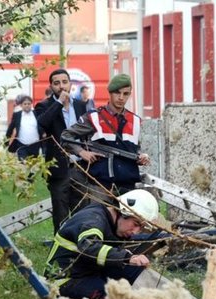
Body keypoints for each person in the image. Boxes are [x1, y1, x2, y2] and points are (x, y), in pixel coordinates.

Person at [45, 189, 159, 299]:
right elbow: (89, 247)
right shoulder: (93, 220)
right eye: (135, 224)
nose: (135, 231)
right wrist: (127, 258)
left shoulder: (111, 222)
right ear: (123, 211)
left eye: (141, 228)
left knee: (136, 270)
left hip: (89, 271)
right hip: (64, 281)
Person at [61, 73, 151, 213]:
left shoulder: (135, 120)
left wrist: (141, 156)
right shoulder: (94, 117)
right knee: (99, 221)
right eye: (117, 93)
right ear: (110, 93)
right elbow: (66, 136)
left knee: (127, 228)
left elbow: (134, 148)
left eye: (126, 94)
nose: (121, 98)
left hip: (127, 186)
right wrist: (82, 152)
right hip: (99, 185)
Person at [34, 69, 87, 233]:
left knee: (83, 212)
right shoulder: (44, 106)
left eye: (64, 82)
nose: (61, 86)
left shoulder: (80, 105)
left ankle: (81, 250)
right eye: (56, 83)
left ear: (70, 84)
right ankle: (62, 251)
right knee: (61, 214)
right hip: (59, 168)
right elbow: (41, 124)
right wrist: (58, 103)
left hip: (81, 167)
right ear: (51, 86)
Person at [5, 95, 43, 160]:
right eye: (25, 104)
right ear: (21, 105)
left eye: (29, 104)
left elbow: (42, 124)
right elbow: (10, 128)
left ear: (31, 104)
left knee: (33, 165)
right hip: (21, 145)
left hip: (35, 145)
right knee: (23, 163)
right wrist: (6, 140)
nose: (27, 105)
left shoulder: (36, 113)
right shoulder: (17, 115)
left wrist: (43, 133)